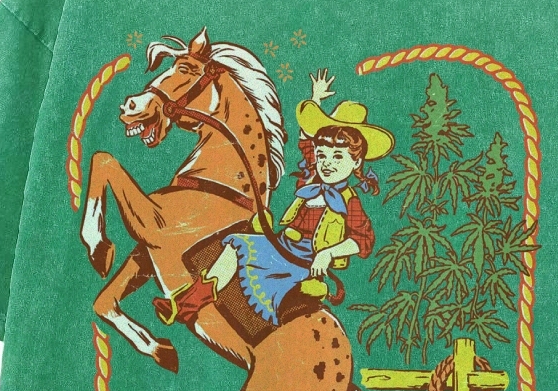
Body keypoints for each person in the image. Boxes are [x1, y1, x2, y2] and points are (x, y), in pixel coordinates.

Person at [158, 72, 395, 327]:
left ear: (356, 162)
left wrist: (327, 254)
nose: (327, 164)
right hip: (281, 245)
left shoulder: (348, 201)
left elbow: (364, 239)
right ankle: (184, 305)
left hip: (301, 263)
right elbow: (307, 143)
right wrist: (315, 101)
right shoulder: (310, 182)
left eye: (338, 157)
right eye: (323, 155)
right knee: (235, 243)